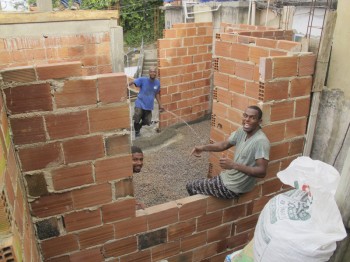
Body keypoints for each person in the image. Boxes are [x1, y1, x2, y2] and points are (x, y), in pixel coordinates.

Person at [186, 105, 270, 199]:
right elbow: (223, 145)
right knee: (202, 186)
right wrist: (202, 148)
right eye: (245, 116)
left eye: (252, 118)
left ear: (259, 121)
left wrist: (233, 165)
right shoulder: (242, 131)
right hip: (228, 178)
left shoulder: (260, 141)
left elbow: (262, 172)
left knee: (191, 185)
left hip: (234, 187)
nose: (247, 120)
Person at [128, 67, 164, 137]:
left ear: (156, 73)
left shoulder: (157, 83)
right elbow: (133, 81)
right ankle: (137, 132)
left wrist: (160, 105)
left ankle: (138, 127)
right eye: (151, 72)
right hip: (140, 102)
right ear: (149, 73)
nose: (153, 73)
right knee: (137, 116)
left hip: (149, 105)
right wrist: (126, 85)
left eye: (154, 72)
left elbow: (156, 94)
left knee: (147, 121)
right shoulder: (143, 79)